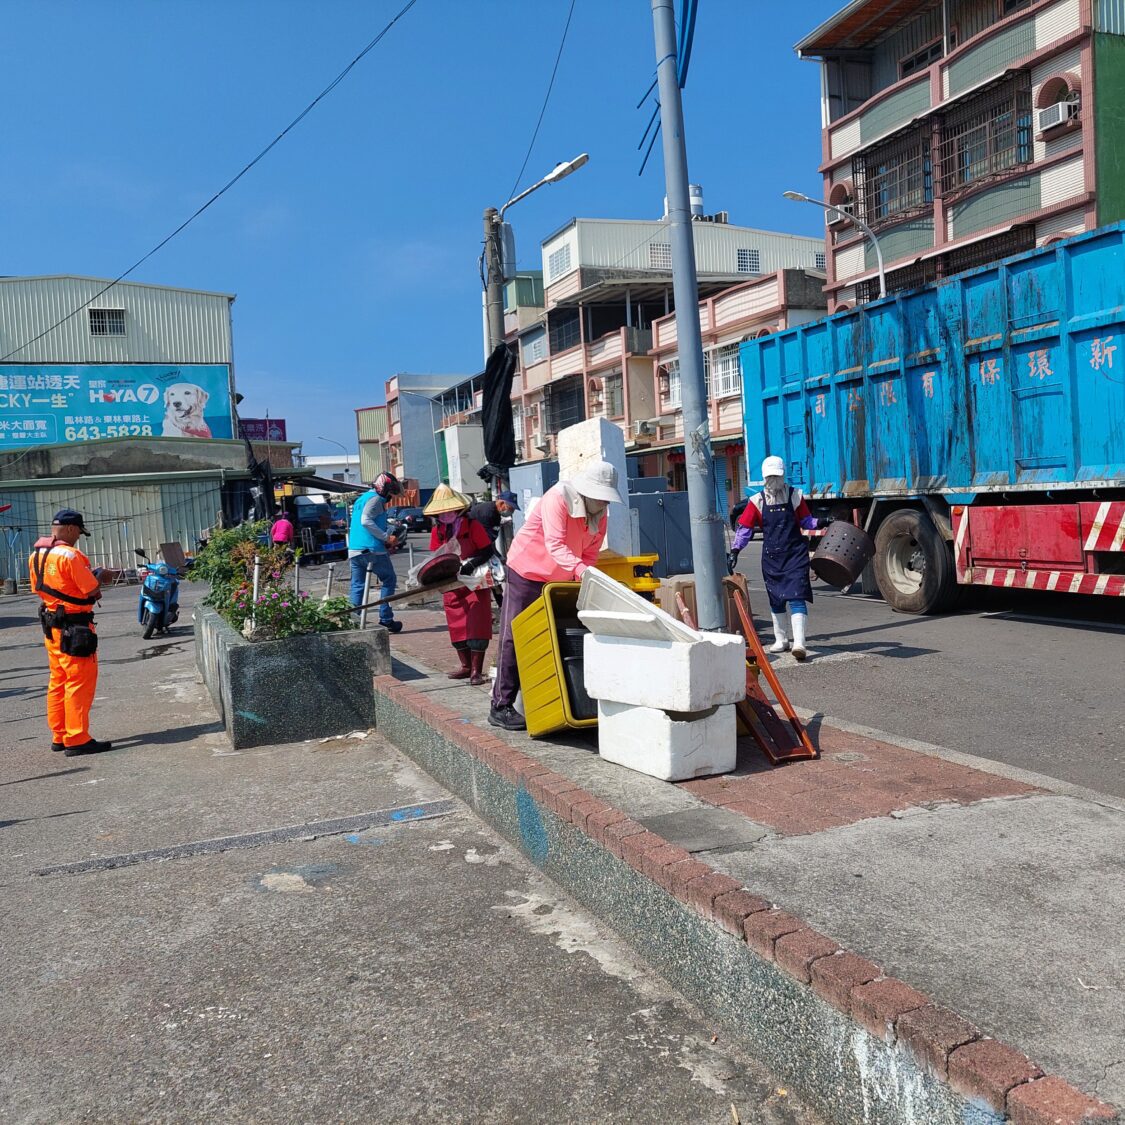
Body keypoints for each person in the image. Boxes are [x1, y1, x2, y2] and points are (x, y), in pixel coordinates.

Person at [489, 460, 624, 732]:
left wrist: (582, 576)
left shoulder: (601, 513)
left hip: (560, 577)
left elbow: (590, 552)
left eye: (606, 500)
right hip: (527, 571)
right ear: (586, 492)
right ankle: (500, 705)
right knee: (514, 635)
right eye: (600, 499)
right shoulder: (558, 498)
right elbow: (555, 544)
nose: (604, 505)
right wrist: (582, 572)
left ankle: (554, 701)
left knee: (558, 638)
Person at [28, 509, 116, 756]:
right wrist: (102, 577)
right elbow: (91, 590)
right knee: (78, 682)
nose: (79, 536)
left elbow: (41, 587)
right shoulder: (71, 555)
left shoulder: (36, 555)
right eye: (78, 531)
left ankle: (60, 735)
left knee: (58, 681)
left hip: (52, 626)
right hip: (75, 627)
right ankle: (77, 738)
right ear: (68, 528)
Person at [728, 455, 829, 661]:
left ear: (783, 476)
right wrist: (735, 550)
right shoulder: (756, 501)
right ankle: (780, 639)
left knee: (797, 596)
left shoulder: (795, 495)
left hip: (795, 554)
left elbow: (807, 521)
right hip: (772, 557)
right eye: (770, 476)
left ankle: (799, 643)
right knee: (776, 599)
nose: (773, 480)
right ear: (764, 477)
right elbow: (745, 529)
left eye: (777, 476)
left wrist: (823, 522)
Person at [425, 484, 494, 685]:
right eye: (442, 512)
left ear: (458, 509)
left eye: (449, 511)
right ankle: (465, 666)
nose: (446, 514)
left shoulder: (473, 526)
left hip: (474, 582)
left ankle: (476, 671)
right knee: (457, 626)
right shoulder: (438, 530)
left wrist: (471, 564)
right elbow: (435, 555)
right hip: (451, 583)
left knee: (477, 625)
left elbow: (487, 551)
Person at [348, 473, 404, 633]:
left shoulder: (362, 498)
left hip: (355, 549)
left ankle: (353, 621)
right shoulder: (376, 499)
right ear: (384, 489)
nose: (390, 497)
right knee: (389, 579)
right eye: (390, 493)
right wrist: (386, 537)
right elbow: (366, 521)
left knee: (358, 586)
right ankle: (386, 619)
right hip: (371, 549)